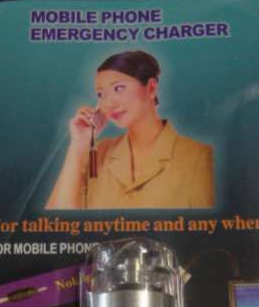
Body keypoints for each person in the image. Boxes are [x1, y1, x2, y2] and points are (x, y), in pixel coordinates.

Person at [46, 51, 214, 210]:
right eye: (101, 94)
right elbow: (57, 223)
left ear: (150, 88)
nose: (109, 103)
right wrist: (78, 145)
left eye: (118, 88)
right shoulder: (96, 154)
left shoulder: (198, 156)